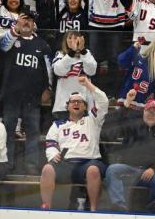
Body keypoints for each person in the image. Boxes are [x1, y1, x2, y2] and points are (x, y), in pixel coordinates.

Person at [41, 76, 109, 211]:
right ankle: (46, 206)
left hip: (89, 162)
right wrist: (53, 154)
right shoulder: (58, 124)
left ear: (85, 106)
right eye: (73, 102)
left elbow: (103, 101)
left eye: (79, 102)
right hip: (66, 164)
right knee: (47, 169)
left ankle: (94, 209)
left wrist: (88, 85)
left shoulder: (93, 119)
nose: (76, 104)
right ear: (67, 106)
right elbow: (50, 142)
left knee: (93, 171)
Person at [0, 8, 52, 173]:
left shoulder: (42, 44)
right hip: (11, 94)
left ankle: (31, 164)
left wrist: (48, 88)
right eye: (24, 19)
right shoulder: (11, 38)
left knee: (33, 131)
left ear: (34, 23)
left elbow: (49, 69)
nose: (27, 22)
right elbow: (3, 46)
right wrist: (16, 28)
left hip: (32, 96)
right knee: (7, 130)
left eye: (29, 20)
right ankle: (7, 163)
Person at [105, 97, 155, 212]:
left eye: (154, 112)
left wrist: (153, 169)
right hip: (130, 169)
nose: (151, 114)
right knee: (112, 169)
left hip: (152, 173)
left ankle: (151, 210)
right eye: (149, 111)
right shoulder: (133, 127)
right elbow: (118, 120)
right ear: (143, 111)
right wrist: (126, 104)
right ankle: (119, 207)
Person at [51, 31, 97, 118]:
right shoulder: (60, 54)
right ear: (65, 41)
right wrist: (72, 52)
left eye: (75, 38)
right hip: (63, 105)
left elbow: (92, 71)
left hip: (85, 105)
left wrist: (82, 51)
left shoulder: (86, 53)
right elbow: (58, 71)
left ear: (81, 40)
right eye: (69, 38)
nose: (72, 40)